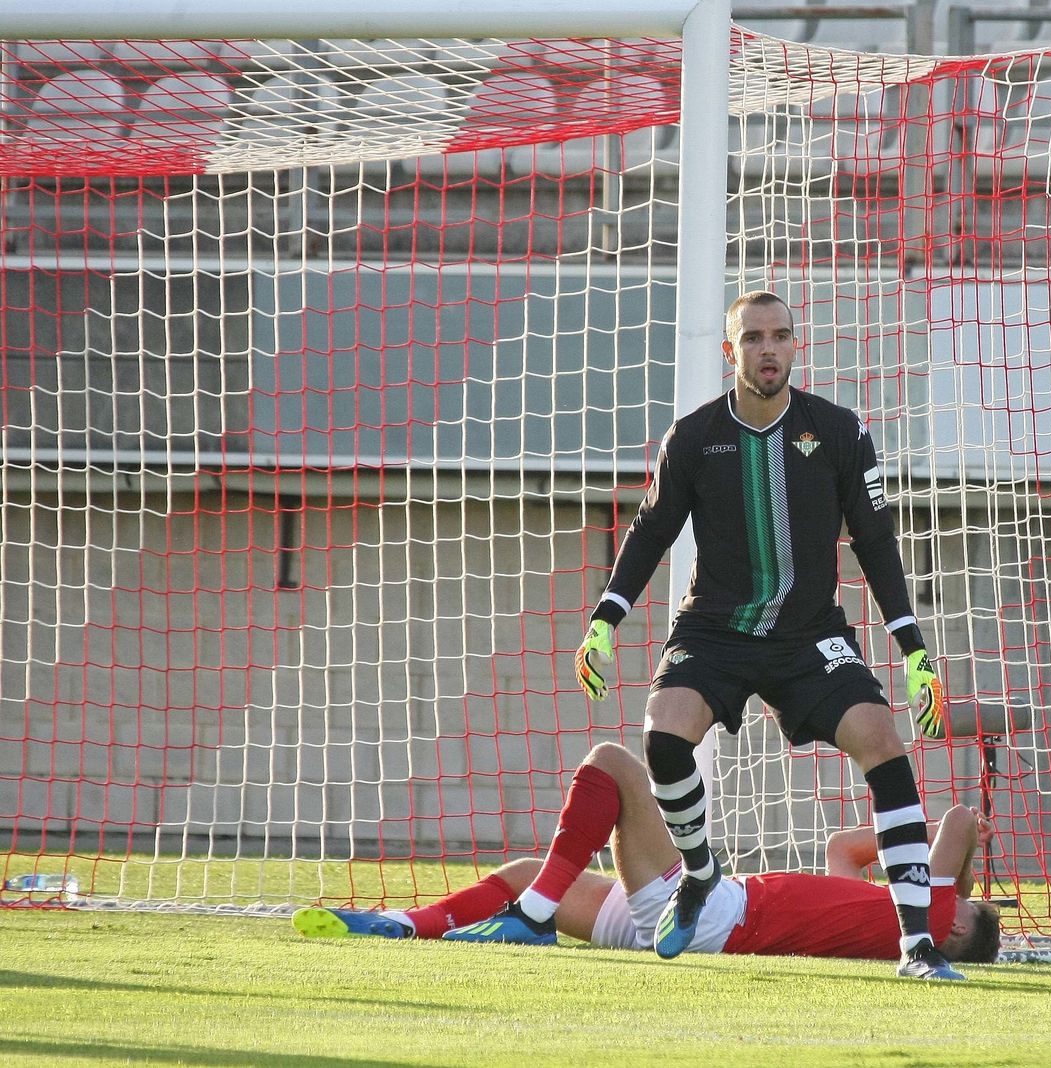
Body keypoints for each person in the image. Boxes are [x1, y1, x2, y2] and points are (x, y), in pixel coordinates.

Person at [570, 291, 960, 978]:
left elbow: (875, 542)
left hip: (807, 635)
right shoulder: (693, 438)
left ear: (795, 345)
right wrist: (605, 619)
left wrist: (914, 649)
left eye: (780, 335)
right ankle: (699, 872)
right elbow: (651, 531)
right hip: (715, 628)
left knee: (882, 741)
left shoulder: (838, 432)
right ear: (732, 352)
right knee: (663, 736)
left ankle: (917, 947)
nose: (768, 349)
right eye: (753, 338)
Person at [292, 742, 1003, 966]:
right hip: (684, 927)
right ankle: (403, 926)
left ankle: (531, 920)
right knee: (525, 875)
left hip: (713, 916)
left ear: (960, 927)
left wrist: (964, 866)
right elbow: (844, 848)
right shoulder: (893, 915)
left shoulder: (936, 920)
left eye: (967, 904)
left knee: (612, 764)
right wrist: (920, 869)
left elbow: (957, 820)